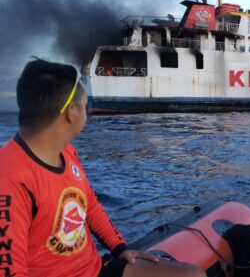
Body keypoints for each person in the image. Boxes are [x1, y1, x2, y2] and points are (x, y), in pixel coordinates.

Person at [0, 59, 206, 277]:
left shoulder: (67, 152)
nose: (87, 114)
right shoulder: (10, 178)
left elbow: (89, 206)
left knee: (193, 275)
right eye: (86, 107)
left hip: (95, 269)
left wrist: (120, 248)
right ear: (71, 112)